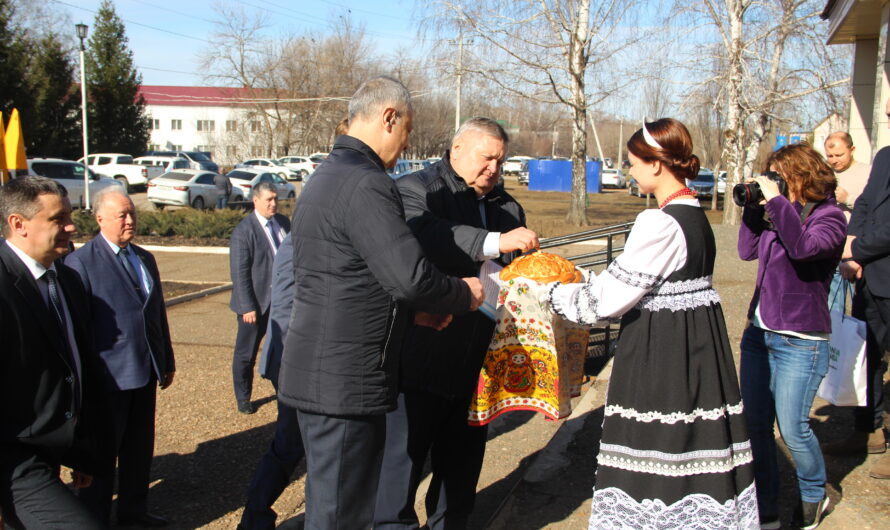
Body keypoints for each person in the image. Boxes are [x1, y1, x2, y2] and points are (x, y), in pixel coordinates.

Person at [277, 76, 484, 529]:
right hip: (344, 382)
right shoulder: (366, 183)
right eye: (408, 129)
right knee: (341, 516)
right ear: (389, 117)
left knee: (333, 507)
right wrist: (463, 294)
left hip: (324, 373)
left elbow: (350, 282)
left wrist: (413, 315)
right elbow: (410, 276)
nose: (407, 143)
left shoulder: (328, 175)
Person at [546, 119, 758, 529]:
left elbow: (605, 302)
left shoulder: (659, 222)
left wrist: (549, 293)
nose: (629, 171)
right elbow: (634, 282)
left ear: (656, 164)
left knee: (660, 461)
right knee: (689, 451)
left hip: (662, 355)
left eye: (632, 163)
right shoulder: (695, 215)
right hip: (695, 353)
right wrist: (583, 279)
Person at [373, 117, 538, 530]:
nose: (493, 169)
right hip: (420, 361)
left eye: (500, 161)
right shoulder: (418, 190)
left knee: (459, 478)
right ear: (458, 148)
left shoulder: (507, 208)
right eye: (487, 158)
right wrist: (494, 242)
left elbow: (518, 276)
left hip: (478, 367)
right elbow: (427, 234)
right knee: (398, 474)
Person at [738, 143, 846, 529]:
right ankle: (765, 505)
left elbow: (803, 249)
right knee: (756, 427)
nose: (774, 183)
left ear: (800, 175)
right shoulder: (780, 212)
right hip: (759, 335)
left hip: (800, 340)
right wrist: (754, 208)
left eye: (779, 177)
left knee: (793, 430)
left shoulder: (830, 217)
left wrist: (777, 203)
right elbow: (746, 251)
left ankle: (814, 494)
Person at [0, 177, 110, 529]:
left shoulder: (65, 280)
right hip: (12, 456)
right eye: (57, 219)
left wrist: (84, 453)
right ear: (18, 224)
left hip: (51, 447)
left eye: (70, 216)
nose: (71, 226)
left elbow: (78, 366)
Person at [66, 188, 175, 528]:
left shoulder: (144, 258)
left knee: (139, 451)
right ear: (100, 219)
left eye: (132, 214)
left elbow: (156, 314)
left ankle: (133, 513)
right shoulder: (80, 264)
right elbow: (78, 331)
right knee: (101, 456)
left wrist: (166, 360)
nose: (130, 221)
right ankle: (95, 519)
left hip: (145, 371)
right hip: (108, 379)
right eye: (121, 215)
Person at [836, 99, 890, 478]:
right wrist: (851, 248)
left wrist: (858, 249)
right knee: (864, 357)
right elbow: (867, 203)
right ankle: (867, 431)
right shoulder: (885, 157)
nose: (886, 110)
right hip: (870, 276)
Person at [238, 233, 304, 530]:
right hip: (292, 361)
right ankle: (255, 518)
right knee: (290, 445)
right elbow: (287, 309)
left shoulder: (302, 234)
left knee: (295, 445)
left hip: (294, 361)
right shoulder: (302, 239)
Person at [229, 181, 291, 414]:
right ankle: (243, 396)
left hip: (281, 302)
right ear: (255, 201)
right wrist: (247, 307)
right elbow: (240, 272)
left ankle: (284, 391)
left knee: (282, 350)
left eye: (276, 199)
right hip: (256, 305)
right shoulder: (244, 231)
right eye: (269, 200)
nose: (274, 204)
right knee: (246, 354)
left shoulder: (283, 223)